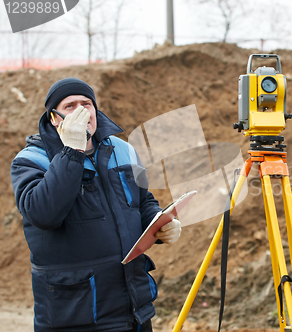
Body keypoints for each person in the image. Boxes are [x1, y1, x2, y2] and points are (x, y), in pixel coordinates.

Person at [10, 77, 181, 332]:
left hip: (133, 308)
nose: (81, 111)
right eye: (70, 106)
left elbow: (142, 201)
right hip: (75, 313)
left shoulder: (122, 150)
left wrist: (159, 221)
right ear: (54, 118)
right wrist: (71, 152)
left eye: (86, 104)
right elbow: (43, 214)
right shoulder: (31, 160)